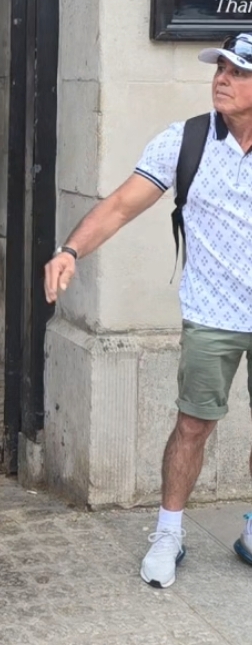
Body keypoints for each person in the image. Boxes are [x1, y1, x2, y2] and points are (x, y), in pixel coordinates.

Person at [44, 32, 252, 589]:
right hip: (213, 314)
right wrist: (70, 251)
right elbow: (117, 207)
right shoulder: (184, 141)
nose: (223, 80)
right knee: (192, 425)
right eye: (221, 69)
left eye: (238, 72)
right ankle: (169, 532)